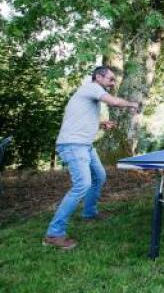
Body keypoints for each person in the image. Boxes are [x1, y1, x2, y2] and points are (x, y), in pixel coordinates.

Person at [43, 66, 139, 250]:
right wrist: (132, 104)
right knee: (82, 184)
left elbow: (79, 118)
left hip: (85, 145)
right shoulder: (93, 87)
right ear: (98, 77)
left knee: (99, 176)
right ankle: (54, 234)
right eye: (110, 79)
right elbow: (114, 102)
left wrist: (101, 123)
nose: (112, 83)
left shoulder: (90, 93)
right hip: (73, 145)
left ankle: (89, 213)